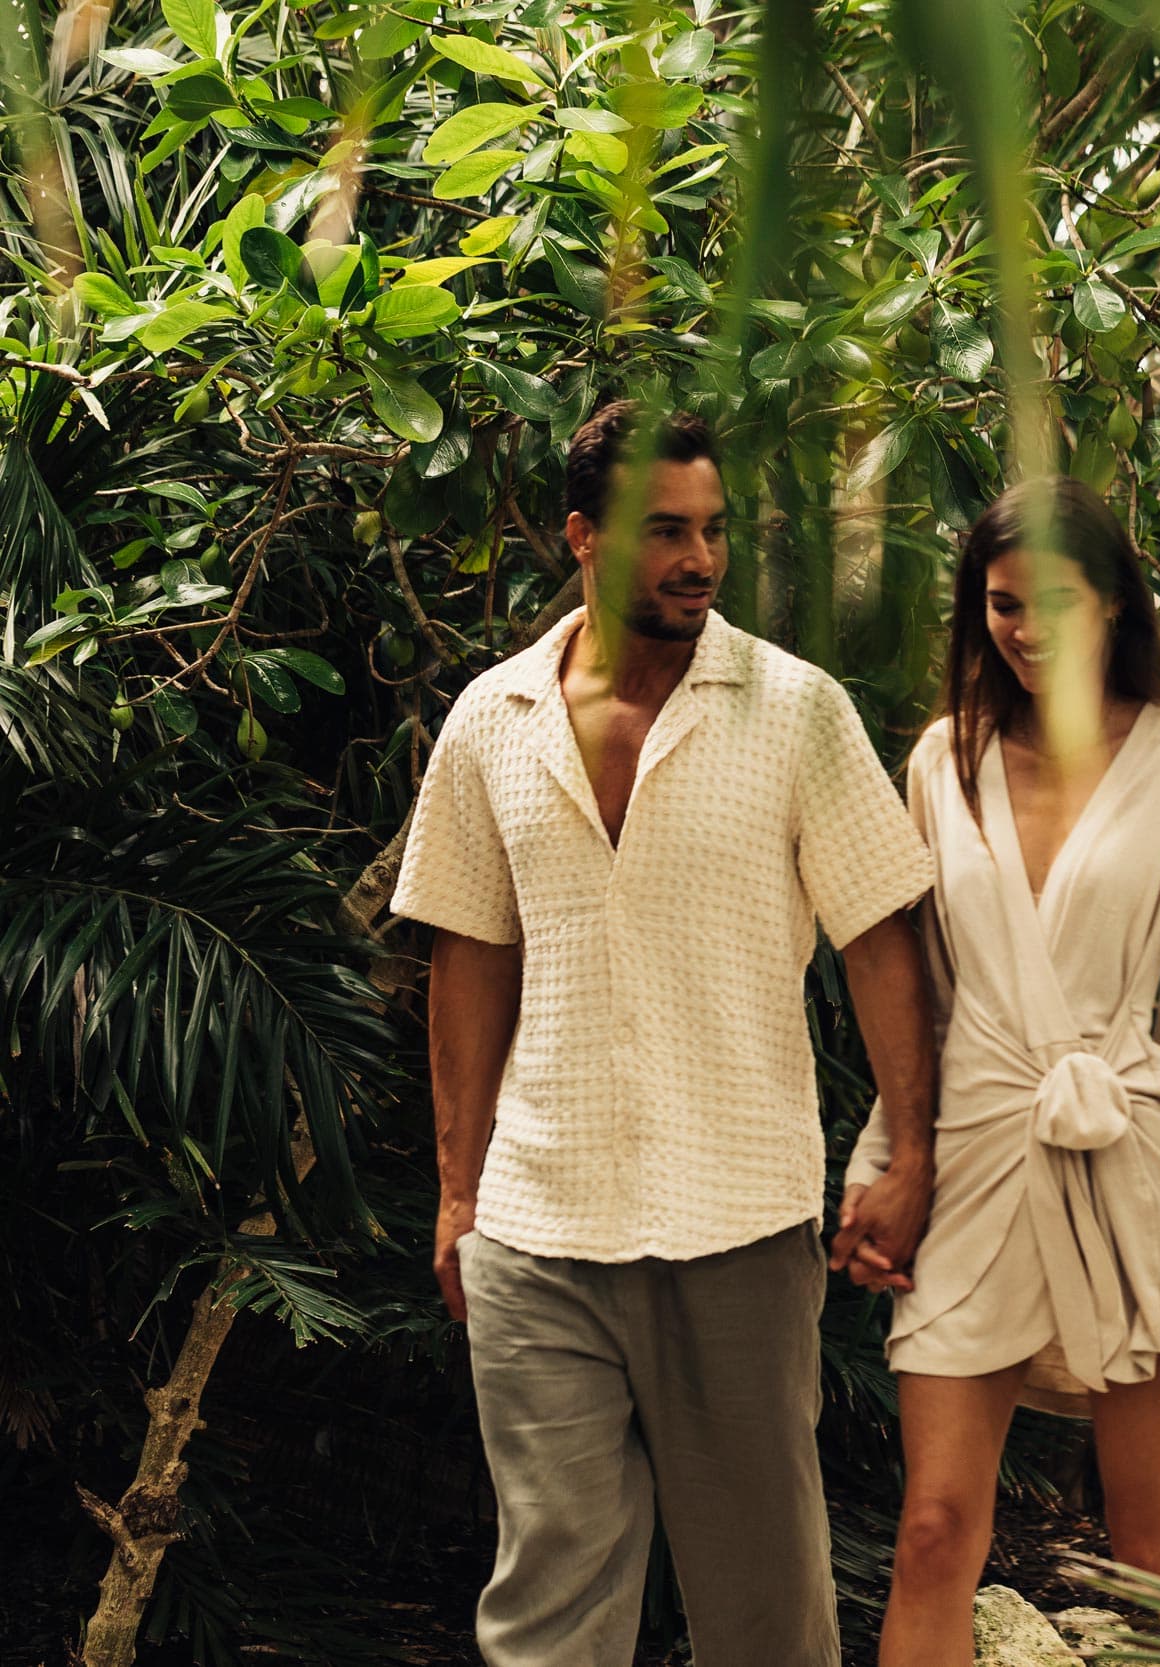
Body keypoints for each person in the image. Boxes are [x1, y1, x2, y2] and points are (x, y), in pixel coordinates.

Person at [391, 399, 939, 1667]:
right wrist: (457, 1190)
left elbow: (879, 939)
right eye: (663, 532)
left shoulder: (794, 710)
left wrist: (910, 1157)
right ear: (583, 536)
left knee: (764, 1610)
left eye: (712, 531)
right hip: (537, 1225)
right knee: (548, 1612)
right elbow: (468, 955)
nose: (698, 559)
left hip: (736, 1223)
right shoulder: (493, 718)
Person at [834, 477, 1160, 1667]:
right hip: (977, 1162)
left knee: (1150, 1535)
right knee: (935, 1528)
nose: (1026, 631)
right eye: (1001, 606)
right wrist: (884, 1169)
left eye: (1055, 603)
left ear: (1115, 602)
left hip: (1128, 1166)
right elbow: (919, 994)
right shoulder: (944, 759)